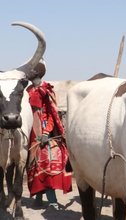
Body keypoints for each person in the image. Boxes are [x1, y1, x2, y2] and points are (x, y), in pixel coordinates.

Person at [26, 59, 72, 210]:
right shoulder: (27, 91)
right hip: (30, 131)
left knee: (46, 163)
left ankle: (52, 201)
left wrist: (46, 132)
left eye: (32, 69)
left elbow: (52, 114)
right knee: (32, 165)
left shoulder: (46, 90)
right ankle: (39, 198)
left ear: (38, 72)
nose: (29, 72)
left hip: (45, 132)